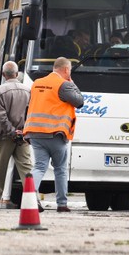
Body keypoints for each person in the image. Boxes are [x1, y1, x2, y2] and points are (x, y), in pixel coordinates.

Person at [24, 57, 84, 212]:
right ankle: (62, 204)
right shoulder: (63, 85)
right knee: (60, 169)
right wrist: (72, 82)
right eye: (69, 70)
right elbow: (79, 101)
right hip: (55, 133)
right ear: (65, 70)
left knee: (39, 166)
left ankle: (29, 198)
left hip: (35, 133)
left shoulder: (36, 84)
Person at [0, 61, 32, 211]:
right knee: (27, 169)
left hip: (4, 137)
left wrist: (11, 132)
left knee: (0, 169)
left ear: (4, 75)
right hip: (22, 136)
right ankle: (33, 201)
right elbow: (30, 113)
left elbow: (1, 116)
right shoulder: (28, 90)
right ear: (17, 74)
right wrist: (22, 131)